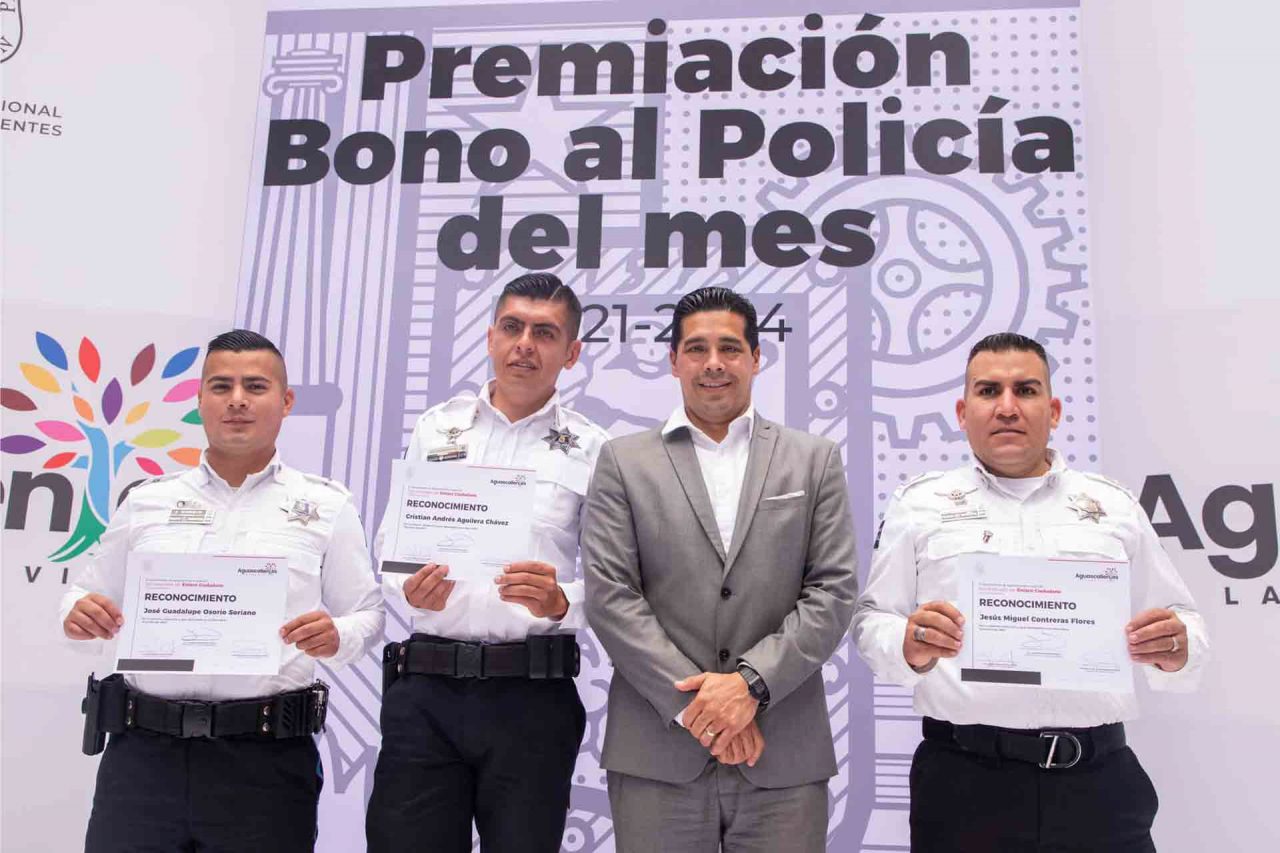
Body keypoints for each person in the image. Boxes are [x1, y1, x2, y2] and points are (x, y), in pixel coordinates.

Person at [852, 332, 1208, 852]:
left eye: (1026, 389)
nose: (1007, 407)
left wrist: (1177, 645)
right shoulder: (919, 504)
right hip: (965, 784)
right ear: (962, 412)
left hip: (1099, 784)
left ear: (1054, 410)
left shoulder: (1113, 506)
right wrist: (906, 643)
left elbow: (1182, 619)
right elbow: (872, 621)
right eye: (988, 391)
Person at [61, 329, 384, 852]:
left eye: (255, 386)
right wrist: (79, 615)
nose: (237, 400)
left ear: (286, 401)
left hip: (264, 765)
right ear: (199, 401)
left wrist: (337, 635)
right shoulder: (147, 501)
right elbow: (84, 595)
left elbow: (366, 614)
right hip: (142, 759)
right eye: (221, 386)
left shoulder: (326, 506)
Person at [582, 286, 858, 852]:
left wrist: (751, 686)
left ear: (756, 358)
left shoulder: (814, 459)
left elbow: (832, 591)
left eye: (730, 348)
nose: (713, 363)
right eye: (697, 348)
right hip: (658, 752)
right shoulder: (622, 461)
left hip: (782, 753)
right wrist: (701, 709)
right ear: (673, 361)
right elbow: (611, 595)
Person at [365, 273, 609, 853]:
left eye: (544, 333)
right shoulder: (437, 427)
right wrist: (406, 587)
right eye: (512, 327)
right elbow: (392, 548)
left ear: (571, 353)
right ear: (491, 337)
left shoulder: (594, 448)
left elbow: (614, 580)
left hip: (531, 696)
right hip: (426, 690)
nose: (525, 344)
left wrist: (562, 601)